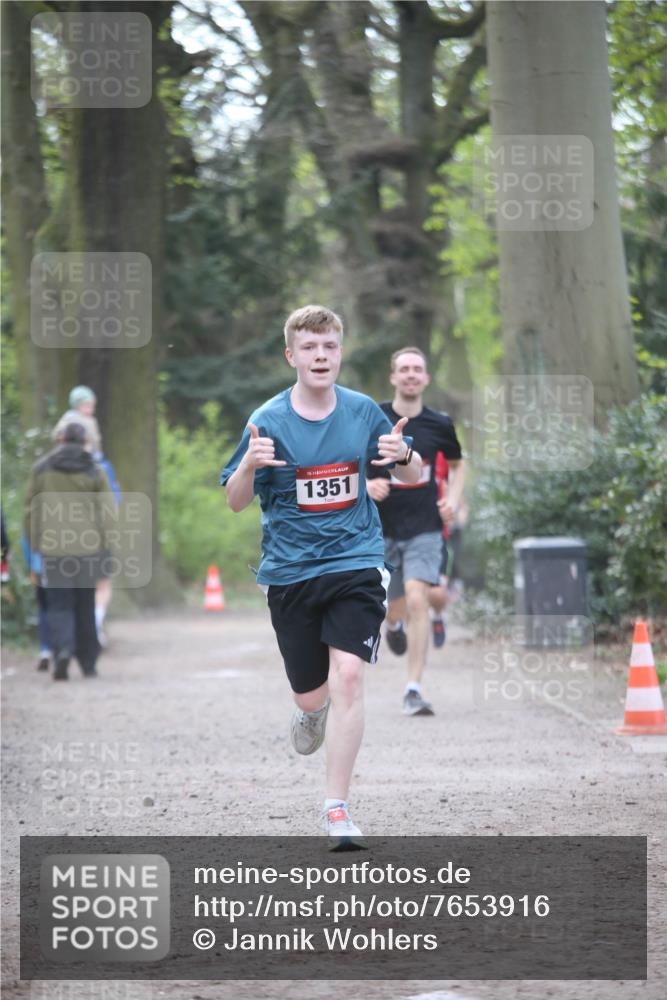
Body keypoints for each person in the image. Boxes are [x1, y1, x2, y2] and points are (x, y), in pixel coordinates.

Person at [221, 305, 422, 849]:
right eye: (309, 348)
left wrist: (403, 455)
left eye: (329, 347)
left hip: (356, 561)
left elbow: (414, 472)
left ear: (340, 353)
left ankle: (338, 809)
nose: (320, 356)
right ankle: (312, 714)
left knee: (350, 676)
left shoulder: (361, 413)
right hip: (290, 572)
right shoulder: (268, 420)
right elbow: (237, 502)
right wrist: (248, 467)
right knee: (313, 697)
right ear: (292, 356)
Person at [366, 347, 465, 716]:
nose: (410, 375)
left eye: (417, 369)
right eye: (403, 369)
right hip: (380, 529)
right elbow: (348, 460)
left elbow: (458, 465)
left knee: (419, 599)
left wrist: (452, 500)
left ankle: (413, 688)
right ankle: (393, 625)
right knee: (395, 607)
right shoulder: (372, 416)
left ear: (425, 378)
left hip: (425, 527)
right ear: (393, 376)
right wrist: (365, 485)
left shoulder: (439, 423)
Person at [25, 422, 114, 680]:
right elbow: (107, 510)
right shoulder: (95, 470)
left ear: (61, 439)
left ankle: (63, 650)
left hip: (53, 547)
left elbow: (31, 509)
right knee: (85, 603)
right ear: (85, 439)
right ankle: (88, 663)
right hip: (88, 548)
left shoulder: (41, 468)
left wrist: (35, 543)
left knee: (58, 604)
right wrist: (105, 543)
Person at [53, 386, 120, 647]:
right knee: (99, 583)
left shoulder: (49, 467)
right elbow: (110, 504)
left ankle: (66, 640)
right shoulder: (100, 468)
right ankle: (92, 624)